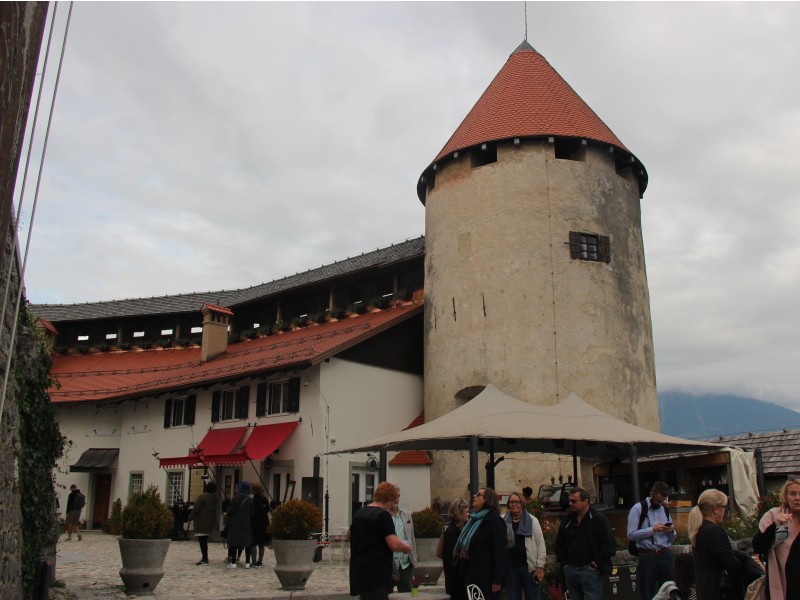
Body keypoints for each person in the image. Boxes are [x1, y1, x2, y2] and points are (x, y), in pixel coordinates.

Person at [349, 481, 412, 600]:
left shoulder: (360, 512)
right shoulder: (383, 515)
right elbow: (393, 543)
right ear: (388, 500)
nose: (392, 504)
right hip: (376, 571)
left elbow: (349, 534)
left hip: (359, 570)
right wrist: (406, 547)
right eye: (393, 501)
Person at [554, 487, 616, 600]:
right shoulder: (568, 520)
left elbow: (609, 545)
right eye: (570, 500)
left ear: (586, 501)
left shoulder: (598, 519)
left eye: (574, 501)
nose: (570, 503)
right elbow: (559, 544)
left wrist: (595, 564)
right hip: (571, 570)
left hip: (590, 571)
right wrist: (565, 563)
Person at [689, 489, 749, 600]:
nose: (725, 511)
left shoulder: (700, 529)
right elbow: (730, 562)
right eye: (724, 507)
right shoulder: (713, 531)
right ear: (715, 509)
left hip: (706, 589)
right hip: (719, 591)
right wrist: (747, 564)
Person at [453, 487, 508, 600]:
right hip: (471, 576)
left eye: (478, 494)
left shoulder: (495, 522)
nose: (474, 496)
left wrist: (497, 580)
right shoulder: (473, 521)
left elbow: (500, 553)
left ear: (487, 500)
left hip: (486, 579)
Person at [627, 481, 677, 600]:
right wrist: (652, 530)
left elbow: (673, 536)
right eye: (657, 501)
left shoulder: (664, 509)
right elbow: (630, 535)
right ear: (651, 494)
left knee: (671, 591)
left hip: (665, 553)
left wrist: (671, 531)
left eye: (662, 501)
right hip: (647, 555)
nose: (659, 503)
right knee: (648, 592)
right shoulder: (638, 508)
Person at [752, 477, 800, 600]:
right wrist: (775, 525)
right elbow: (758, 546)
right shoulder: (773, 516)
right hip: (783, 587)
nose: (797, 498)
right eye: (793, 493)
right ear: (786, 496)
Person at [503, 491, 546, 600]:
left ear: (522, 503)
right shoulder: (503, 520)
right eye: (511, 502)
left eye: (517, 502)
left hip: (529, 569)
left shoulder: (532, 520)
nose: (514, 504)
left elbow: (540, 544)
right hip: (511, 569)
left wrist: (540, 567)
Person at [388, 485, 417, 592]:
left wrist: (414, 557)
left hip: (405, 563)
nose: (396, 499)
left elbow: (411, 538)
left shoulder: (406, 514)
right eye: (393, 496)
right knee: (387, 593)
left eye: (398, 496)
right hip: (390, 562)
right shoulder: (383, 515)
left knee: (406, 593)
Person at [441, 499, 469, 600]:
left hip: (463, 575)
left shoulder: (466, 527)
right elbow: (448, 556)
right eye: (466, 512)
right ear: (459, 513)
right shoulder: (451, 531)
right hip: (455, 575)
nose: (468, 514)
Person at [186, 481, 218, 565]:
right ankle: (205, 557)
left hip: (201, 522)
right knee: (204, 541)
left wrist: (190, 518)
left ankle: (205, 558)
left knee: (202, 541)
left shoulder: (202, 497)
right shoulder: (215, 498)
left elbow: (196, 509)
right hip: (210, 521)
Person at [225, 480, 254, 568]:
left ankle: (233, 562)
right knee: (247, 542)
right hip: (247, 523)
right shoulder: (250, 500)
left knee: (234, 542)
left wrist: (227, 513)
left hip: (236, 523)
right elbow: (252, 513)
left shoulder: (235, 499)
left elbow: (231, 511)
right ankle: (247, 562)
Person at [249, 482, 271, 568]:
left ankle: (254, 561)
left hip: (255, 523)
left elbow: (251, 512)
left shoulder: (253, 500)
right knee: (261, 543)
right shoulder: (264, 499)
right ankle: (260, 561)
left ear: (254, 490)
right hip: (264, 522)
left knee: (253, 543)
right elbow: (267, 509)